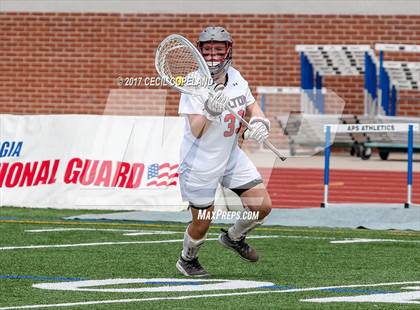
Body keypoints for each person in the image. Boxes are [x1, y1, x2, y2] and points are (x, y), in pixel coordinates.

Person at [176, 26, 272, 277]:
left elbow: (254, 110)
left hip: (230, 156)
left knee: (261, 206)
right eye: (207, 50)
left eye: (218, 50)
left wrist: (260, 125)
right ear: (200, 52)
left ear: (228, 51)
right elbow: (196, 130)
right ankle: (187, 259)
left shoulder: (237, 78)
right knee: (202, 223)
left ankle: (234, 237)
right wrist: (209, 110)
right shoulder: (193, 83)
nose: (213, 56)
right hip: (200, 163)